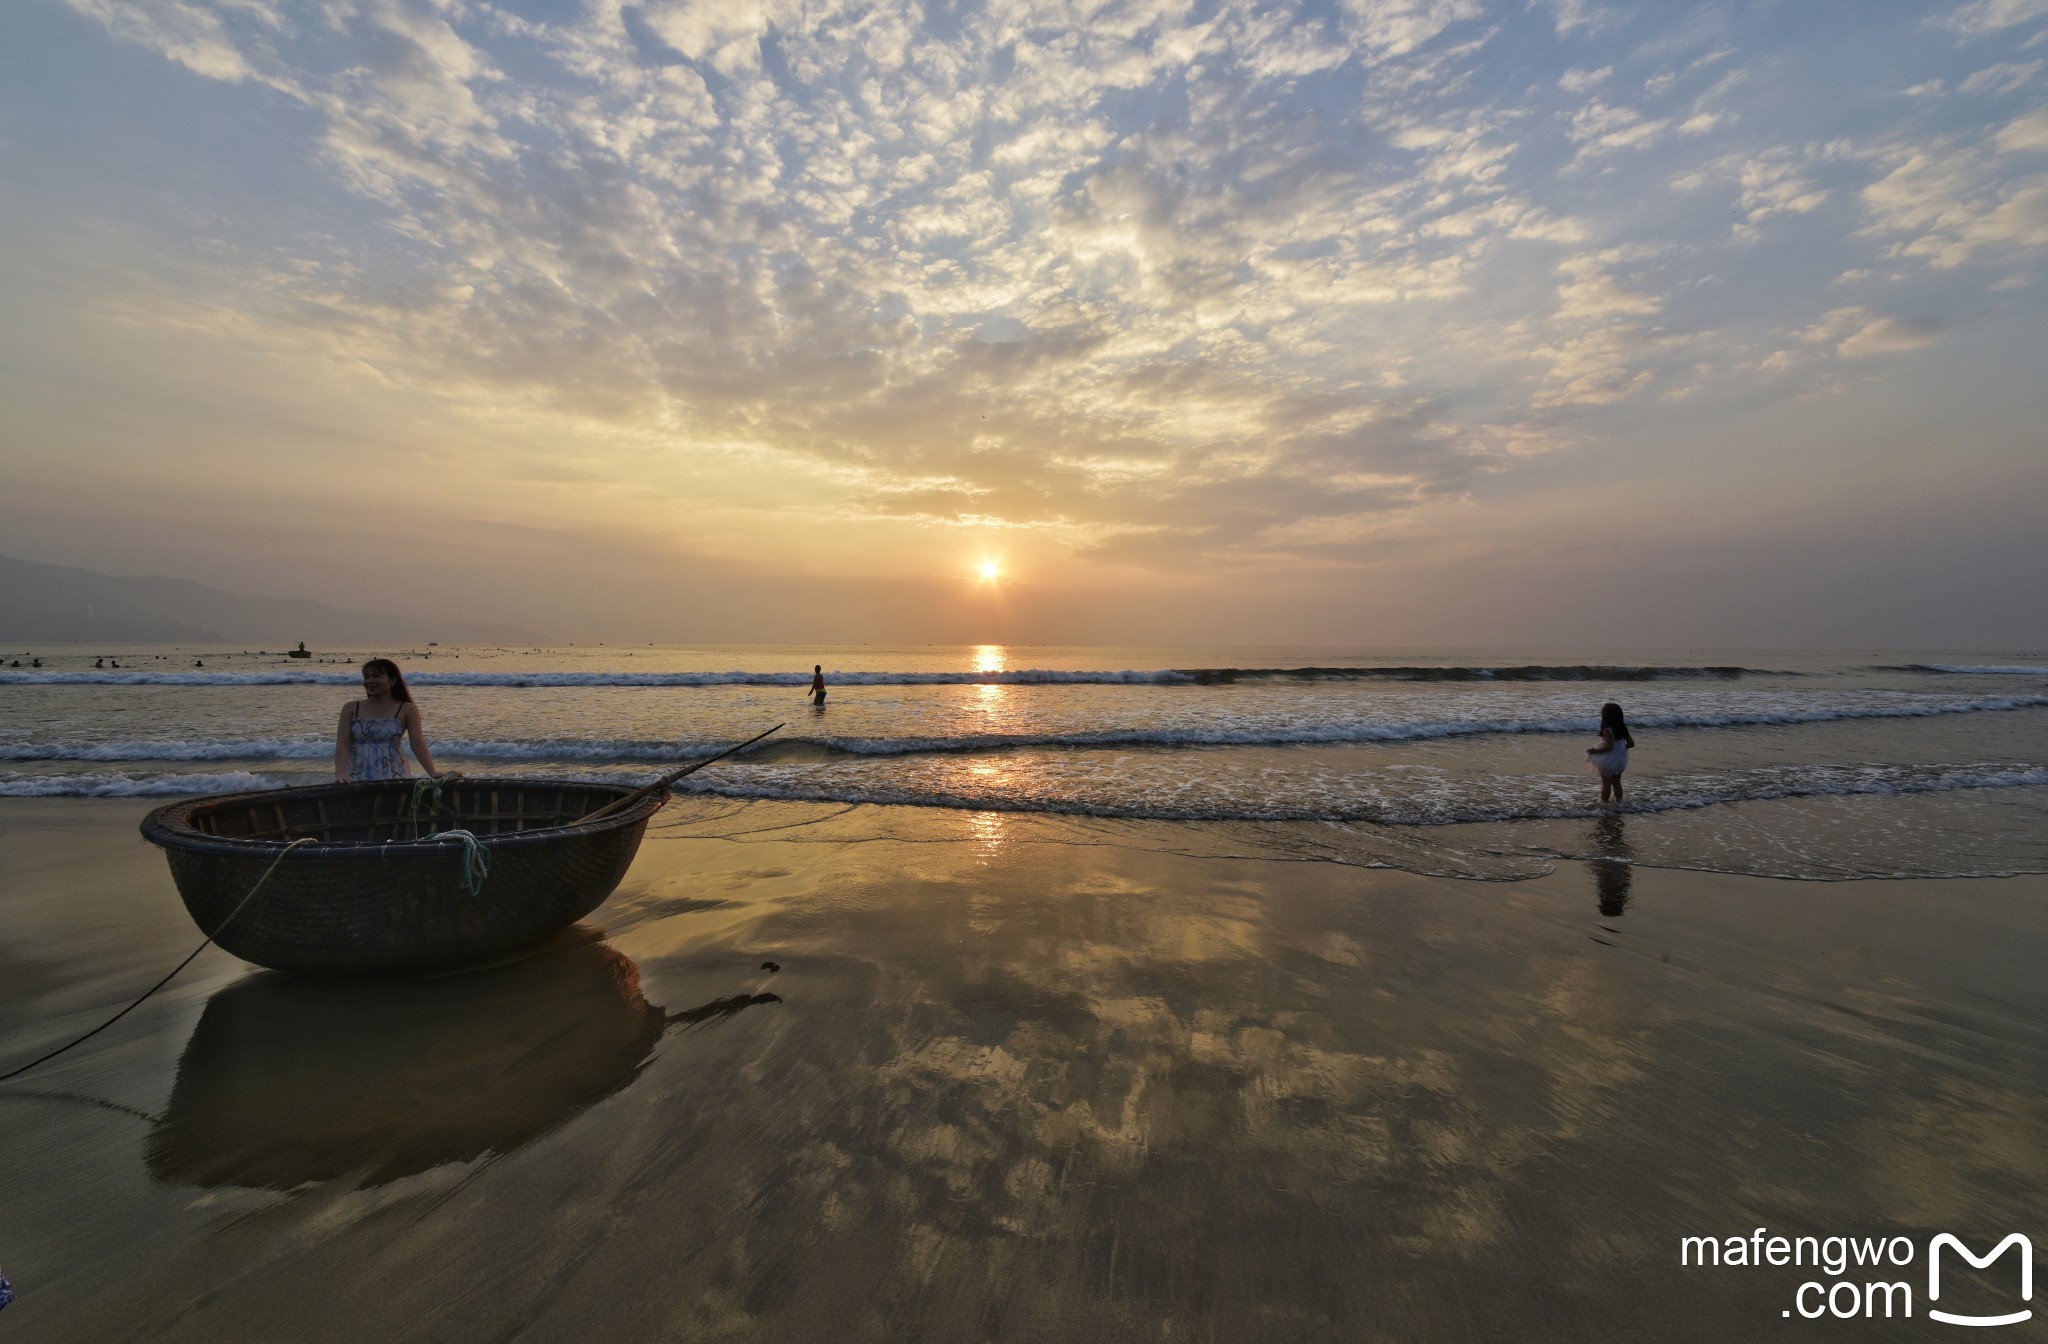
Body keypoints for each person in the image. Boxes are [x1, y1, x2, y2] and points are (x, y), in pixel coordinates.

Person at [334, 657, 441, 783]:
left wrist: (433, 773)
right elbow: (343, 743)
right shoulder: (351, 708)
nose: (370, 681)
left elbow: (417, 744)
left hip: (394, 771)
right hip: (356, 772)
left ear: (393, 680)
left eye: (376, 676)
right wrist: (340, 772)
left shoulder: (406, 708)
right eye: (366, 677)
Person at [1585, 701, 1634, 805]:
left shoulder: (1607, 730)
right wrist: (1620, 748)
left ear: (1606, 716)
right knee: (1617, 782)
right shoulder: (1623, 728)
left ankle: (1604, 803)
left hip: (1608, 761)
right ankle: (1619, 802)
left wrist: (1594, 751)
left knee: (1606, 783)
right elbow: (1631, 744)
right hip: (1620, 761)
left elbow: (1609, 746)